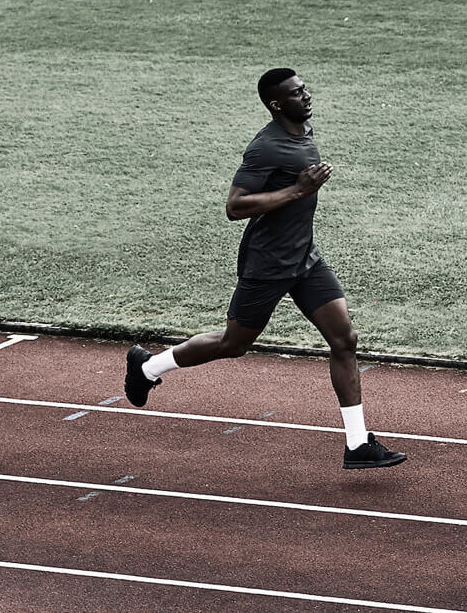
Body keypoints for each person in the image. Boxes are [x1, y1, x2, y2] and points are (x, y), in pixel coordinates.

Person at [123, 68, 406, 470]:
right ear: (277, 104)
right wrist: (298, 190)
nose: (306, 96)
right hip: (268, 263)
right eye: (296, 93)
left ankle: (358, 444)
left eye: (304, 88)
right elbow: (234, 207)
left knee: (345, 339)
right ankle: (147, 366)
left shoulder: (302, 131)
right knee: (233, 344)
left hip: (305, 258)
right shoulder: (265, 147)